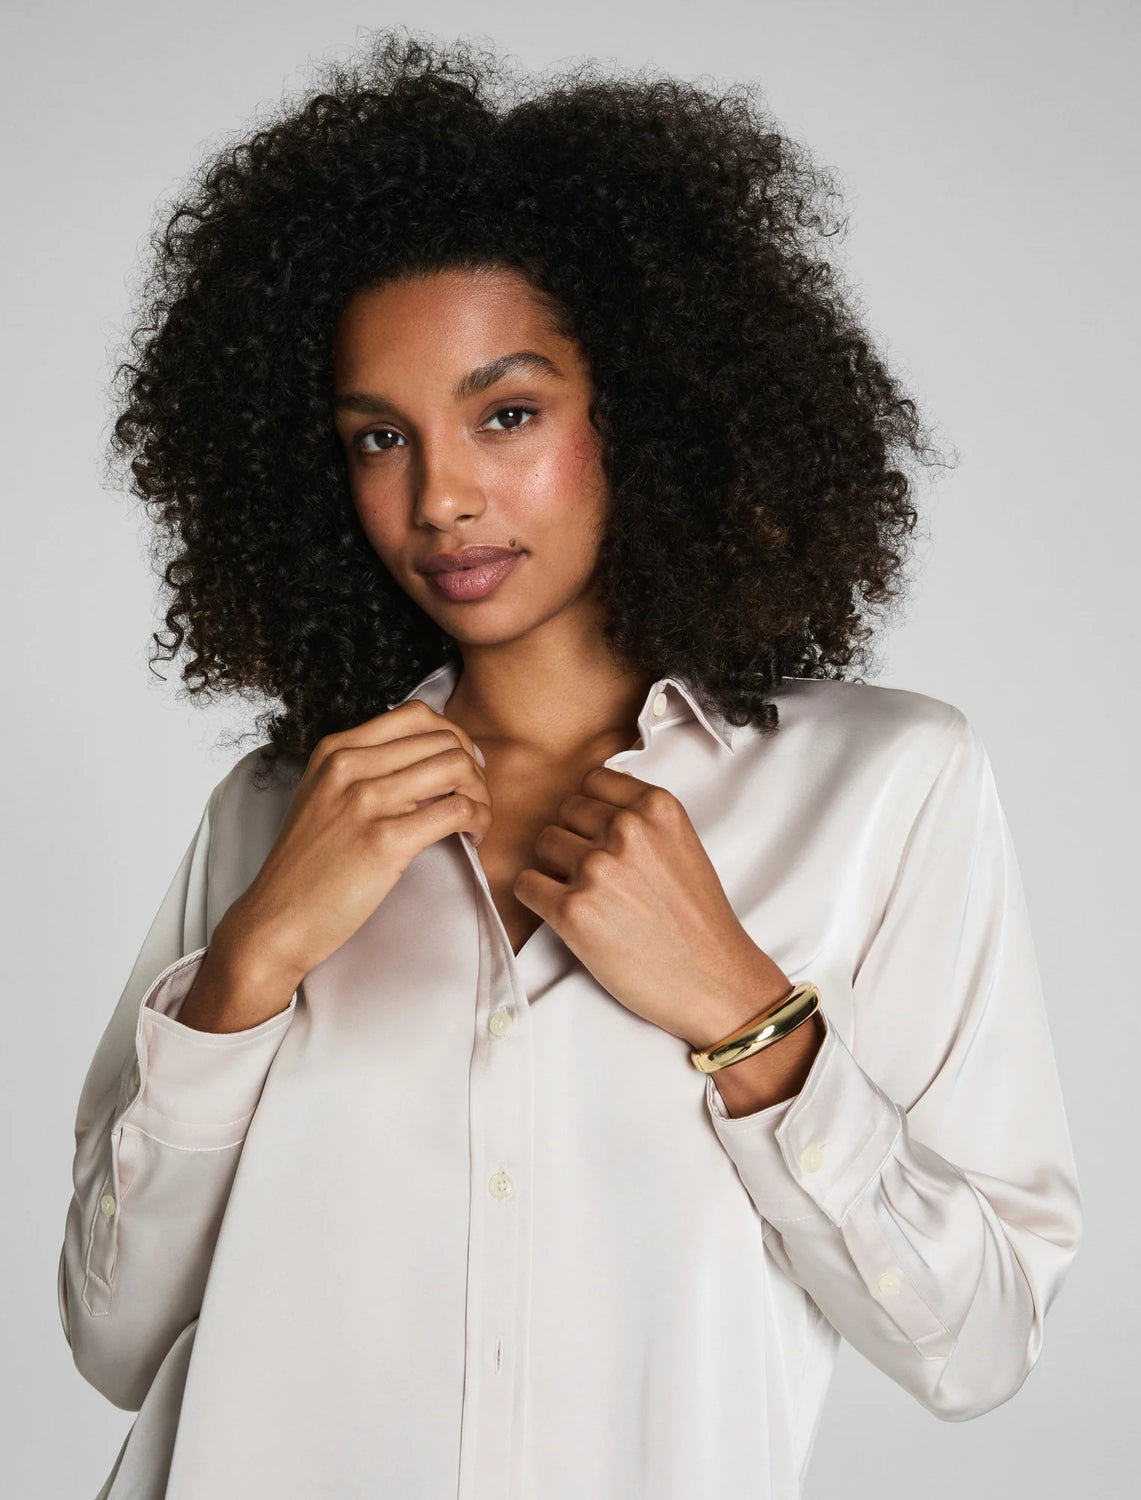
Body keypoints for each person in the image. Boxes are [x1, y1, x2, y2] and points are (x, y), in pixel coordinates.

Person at [59, 29, 1083, 1500]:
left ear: (645, 410)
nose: (442, 495)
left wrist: (746, 1015)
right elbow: (112, 1335)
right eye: (376, 437)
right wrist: (253, 961)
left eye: (509, 412)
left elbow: (978, 1345)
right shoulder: (280, 815)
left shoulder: (888, 789)